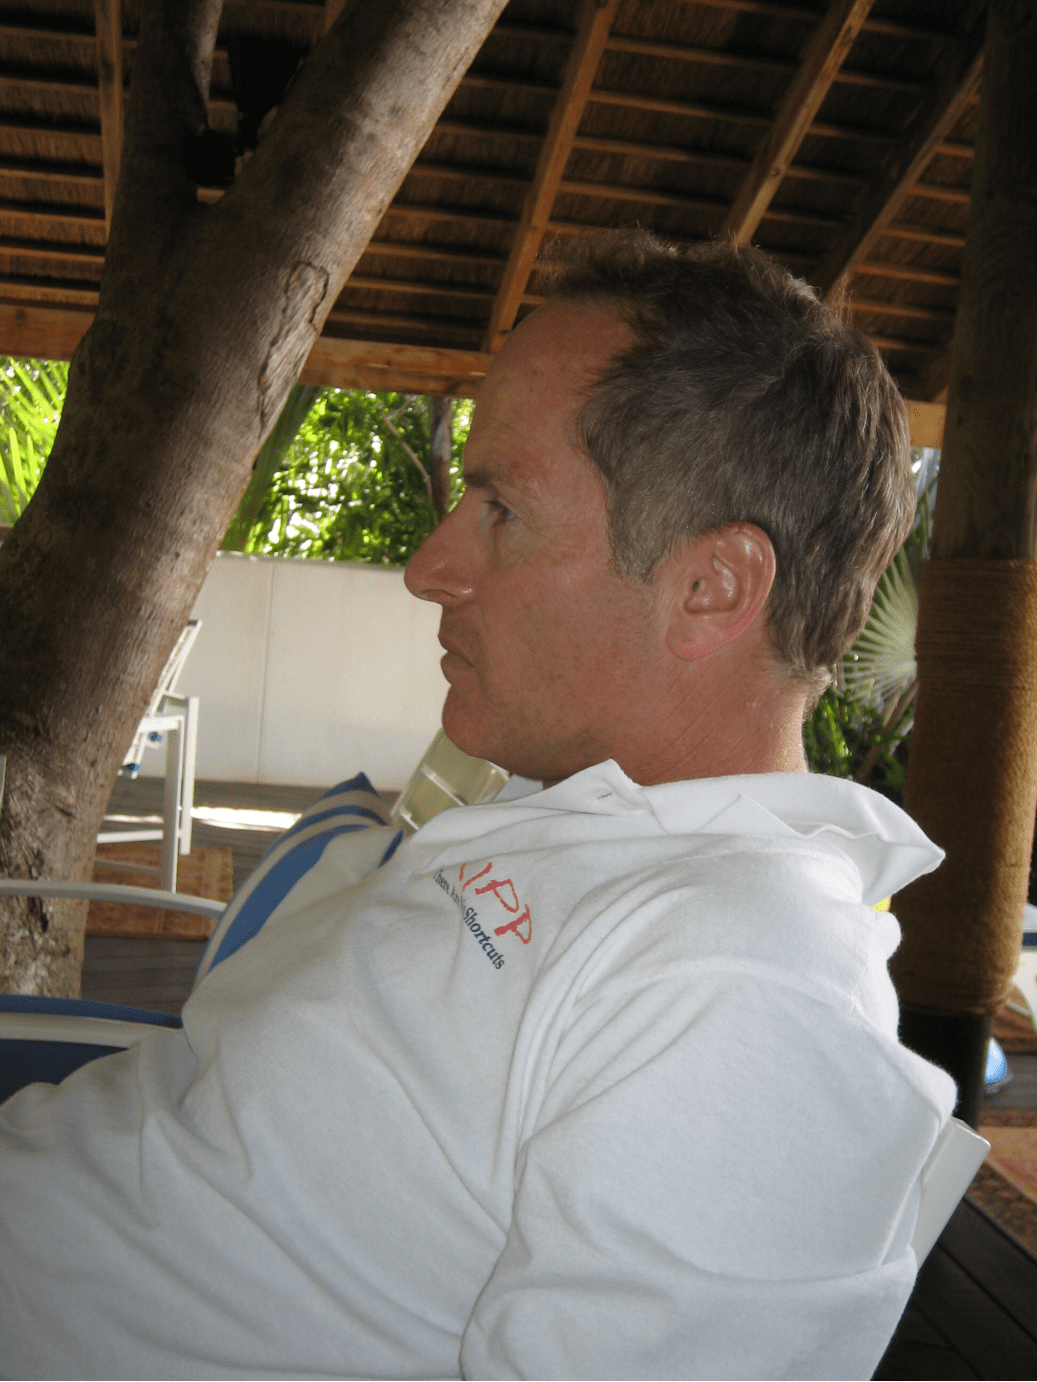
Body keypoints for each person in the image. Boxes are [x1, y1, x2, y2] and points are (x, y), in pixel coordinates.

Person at [0, 233, 954, 1379]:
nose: (427, 567)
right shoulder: (574, 816)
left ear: (709, 587)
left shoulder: (755, 994)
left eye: (499, 508)